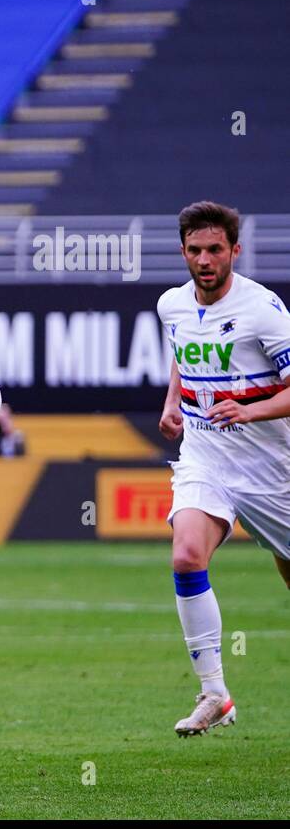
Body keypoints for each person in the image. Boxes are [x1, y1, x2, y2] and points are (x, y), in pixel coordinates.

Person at [157, 200, 290, 736]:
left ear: (235, 250)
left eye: (215, 249)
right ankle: (214, 692)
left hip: (272, 470)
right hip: (206, 457)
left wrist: (250, 410)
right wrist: (174, 398)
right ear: (183, 252)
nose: (205, 259)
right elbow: (183, 352)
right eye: (195, 250)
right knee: (188, 557)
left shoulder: (263, 310)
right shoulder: (172, 304)